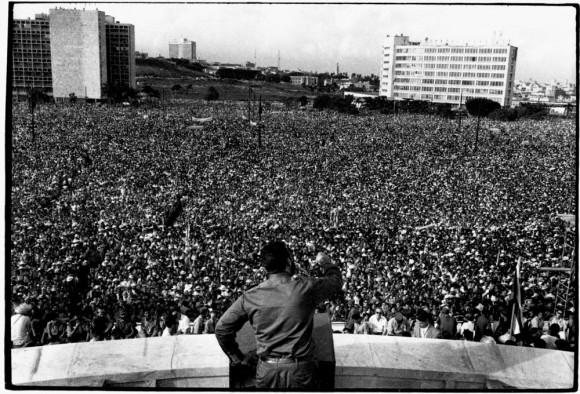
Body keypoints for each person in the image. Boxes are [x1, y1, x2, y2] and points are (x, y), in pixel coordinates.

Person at [215, 241, 342, 389]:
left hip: (266, 371)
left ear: (266, 266)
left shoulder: (250, 296)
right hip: (300, 371)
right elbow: (336, 281)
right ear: (288, 261)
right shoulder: (305, 287)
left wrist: (237, 358)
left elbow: (222, 328)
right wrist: (325, 262)